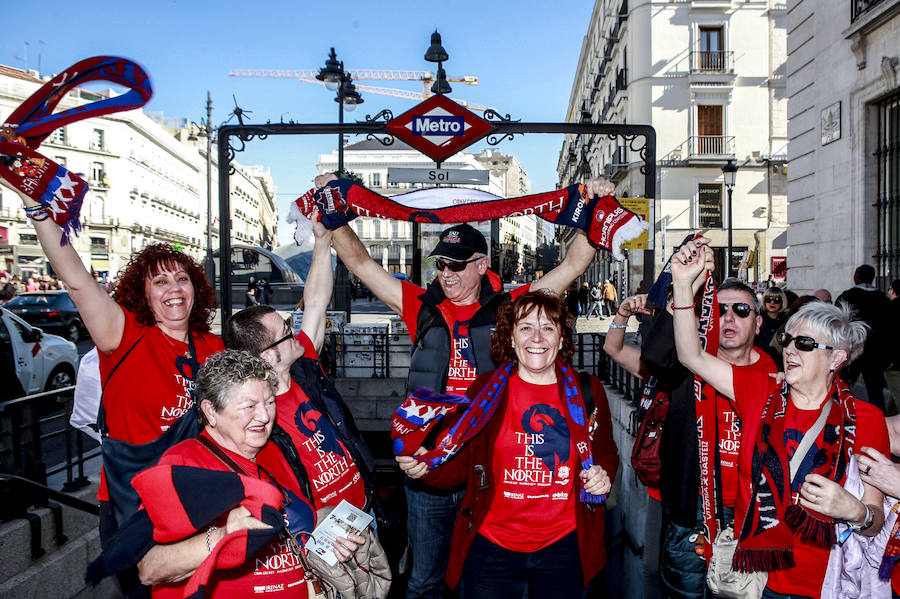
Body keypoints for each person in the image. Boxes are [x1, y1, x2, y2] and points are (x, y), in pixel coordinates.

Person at [315, 173, 614, 599]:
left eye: (456, 264)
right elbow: (362, 264)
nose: (445, 273)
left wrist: (595, 205)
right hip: (431, 461)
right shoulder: (419, 303)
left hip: (490, 466)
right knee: (424, 581)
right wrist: (334, 209)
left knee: (479, 577)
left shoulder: (515, 307)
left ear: (481, 265)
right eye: (440, 263)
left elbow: (573, 265)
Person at [0, 182, 224, 596]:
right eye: (159, 282)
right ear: (141, 293)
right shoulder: (124, 335)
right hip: (134, 505)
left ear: (196, 286)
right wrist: (35, 204)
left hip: (198, 497)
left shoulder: (213, 346)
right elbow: (76, 278)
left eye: (181, 278)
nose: (174, 288)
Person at [671, 237, 889, 599]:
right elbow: (691, 356)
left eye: (804, 344)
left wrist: (854, 512)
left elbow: (875, 518)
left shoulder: (866, 420)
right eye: (788, 339)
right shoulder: (761, 391)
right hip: (755, 580)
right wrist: (682, 284)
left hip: (826, 585)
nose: (789, 349)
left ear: (836, 359)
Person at [397, 291, 618, 598]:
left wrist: (602, 475)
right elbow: (460, 464)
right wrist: (425, 468)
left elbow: (605, 452)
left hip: (565, 547)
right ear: (511, 338)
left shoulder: (587, 391)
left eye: (548, 328)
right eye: (525, 327)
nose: (536, 337)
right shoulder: (486, 391)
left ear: (562, 339)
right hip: (492, 550)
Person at [137, 350, 365, 597]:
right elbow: (149, 567)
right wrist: (222, 537)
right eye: (250, 406)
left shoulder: (272, 452)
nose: (265, 416)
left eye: (269, 402)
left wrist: (327, 539)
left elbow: (293, 524)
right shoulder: (183, 463)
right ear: (211, 411)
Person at [223, 223, 378, 514]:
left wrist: (322, 241)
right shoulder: (254, 419)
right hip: (325, 540)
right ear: (268, 357)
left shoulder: (303, 368)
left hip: (364, 512)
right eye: (286, 331)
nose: (294, 332)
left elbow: (316, 304)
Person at [836, 264, 891, 411]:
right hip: (876, 352)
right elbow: (889, 329)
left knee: (844, 387)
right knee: (875, 392)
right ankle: (879, 420)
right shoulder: (883, 299)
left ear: (855, 278)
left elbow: (836, 324)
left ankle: (841, 415)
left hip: (852, 350)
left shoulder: (846, 297)